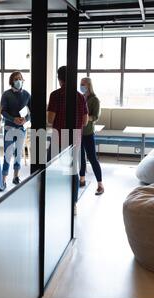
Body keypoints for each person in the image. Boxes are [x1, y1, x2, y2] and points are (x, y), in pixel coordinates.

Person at [47, 66, 88, 214]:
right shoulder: (80, 96)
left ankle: (54, 200)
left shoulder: (55, 95)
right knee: (72, 171)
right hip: (75, 137)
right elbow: (85, 121)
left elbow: (50, 119)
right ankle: (73, 204)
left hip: (59, 136)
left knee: (53, 169)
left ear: (59, 79)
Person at [0, 71, 31, 190]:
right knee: (8, 153)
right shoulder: (6, 94)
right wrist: (13, 119)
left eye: (20, 78)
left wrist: (25, 119)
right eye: (16, 79)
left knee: (18, 154)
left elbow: (32, 112)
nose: (18, 81)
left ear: (23, 80)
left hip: (21, 128)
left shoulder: (27, 94)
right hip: (9, 127)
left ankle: (16, 176)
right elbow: (3, 111)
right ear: (12, 81)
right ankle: (3, 180)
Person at [79, 77, 104, 195]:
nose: (81, 86)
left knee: (92, 158)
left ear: (89, 85)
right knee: (81, 158)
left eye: (83, 84)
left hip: (88, 132)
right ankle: (82, 179)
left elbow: (96, 116)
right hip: (78, 132)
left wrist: (87, 118)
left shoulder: (95, 100)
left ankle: (100, 184)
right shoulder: (79, 98)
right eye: (80, 84)